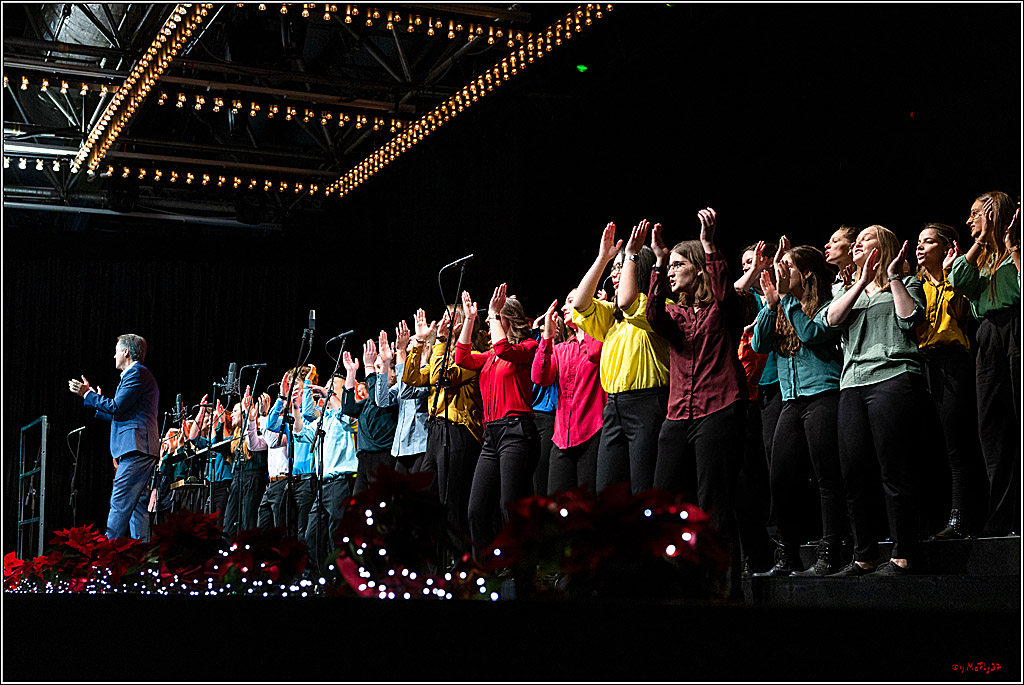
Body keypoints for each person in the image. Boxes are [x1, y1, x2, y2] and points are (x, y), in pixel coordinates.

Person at [645, 209, 748, 593]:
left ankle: (721, 587)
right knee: (663, 502)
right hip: (677, 414)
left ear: (698, 267)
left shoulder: (721, 308)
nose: (670, 271)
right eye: (668, 266)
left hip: (719, 408)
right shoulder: (672, 312)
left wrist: (708, 246)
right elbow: (653, 315)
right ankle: (668, 582)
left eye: (676, 264)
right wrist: (656, 261)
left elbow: (726, 299)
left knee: (714, 503)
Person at [824, 225, 927, 575]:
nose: (856, 245)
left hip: (893, 376)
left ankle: (904, 553)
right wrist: (861, 280)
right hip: (851, 383)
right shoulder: (846, 288)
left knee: (893, 469)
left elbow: (910, 318)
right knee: (853, 472)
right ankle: (864, 554)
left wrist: (892, 276)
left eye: (864, 239)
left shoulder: (906, 282)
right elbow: (832, 320)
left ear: (882, 246)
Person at [752, 246, 846, 576]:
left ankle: (829, 552)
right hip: (791, 401)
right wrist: (770, 306)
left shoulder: (827, 303)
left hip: (823, 396)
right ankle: (786, 555)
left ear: (805, 274)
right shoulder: (782, 306)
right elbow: (758, 345)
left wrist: (786, 302)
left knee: (827, 478)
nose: (780, 273)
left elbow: (811, 333)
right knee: (780, 478)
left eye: (787, 267)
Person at [571, 221, 670, 494]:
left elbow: (628, 301)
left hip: (648, 404)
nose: (616, 274)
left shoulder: (658, 309)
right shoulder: (611, 317)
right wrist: (603, 258)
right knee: (608, 493)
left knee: (643, 491)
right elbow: (580, 303)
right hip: (614, 407)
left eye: (623, 267)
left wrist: (632, 254)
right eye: (615, 270)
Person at [947, 191, 1021, 537]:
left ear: (996, 214)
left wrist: (1013, 245)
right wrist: (978, 242)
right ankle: (1004, 517)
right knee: (993, 427)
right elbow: (958, 279)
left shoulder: (1015, 253)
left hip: (1017, 327)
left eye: (976, 214)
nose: (969, 220)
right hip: (989, 336)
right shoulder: (984, 260)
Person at [456, 284, 540, 555]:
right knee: (476, 509)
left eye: (496, 317)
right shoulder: (491, 356)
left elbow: (504, 348)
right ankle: (485, 570)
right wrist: (469, 320)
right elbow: (462, 358)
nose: (491, 321)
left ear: (507, 320)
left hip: (517, 431)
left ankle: (520, 570)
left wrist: (492, 313)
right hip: (491, 436)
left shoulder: (528, 347)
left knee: (509, 505)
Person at [914, 223, 984, 539]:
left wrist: (948, 275)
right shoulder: (912, 285)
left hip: (952, 361)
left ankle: (960, 519)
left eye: (928, 241)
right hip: (920, 366)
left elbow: (961, 313)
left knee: (958, 444)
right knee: (927, 447)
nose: (920, 246)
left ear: (947, 248)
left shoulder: (956, 280)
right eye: (918, 241)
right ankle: (929, 519)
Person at [403, 305, 484, 561]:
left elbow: (441, 378)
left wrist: (438, 342)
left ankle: (460, 568)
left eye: (449, 320)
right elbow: (412, 378)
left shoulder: (473, 356)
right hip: (436, 433)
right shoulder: (440, 353)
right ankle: (434, 567)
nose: (442, 324)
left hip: (458, 433)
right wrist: (417, 342)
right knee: (425, 501)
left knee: (452, 505)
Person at [68, 333, 160, 541]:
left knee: (119, 503)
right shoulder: (135, 375)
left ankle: (107, 560)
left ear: (126, 352)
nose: (114, 355)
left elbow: (117, 407)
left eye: (117, 350)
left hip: (137, 449)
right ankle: (143, 560)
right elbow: (120, 411)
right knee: (137, 507)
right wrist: (95, 397)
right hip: (138, 449)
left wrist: (87, 395)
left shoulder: (136, 373)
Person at [531, 290, 606, 495]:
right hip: (562, 437)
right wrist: (546, 336)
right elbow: (539, 377)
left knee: (587, 506)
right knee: (556, 505)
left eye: (571, 301)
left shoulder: (599, 340)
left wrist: (593, 317)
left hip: (591, 433)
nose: (563, 308)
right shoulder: (562, 348)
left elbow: (596, 353)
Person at [301, 374, 359, 571]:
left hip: (340, 483)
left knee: (338, 535)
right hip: (322, 485)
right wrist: (295, 404)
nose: (328, 391)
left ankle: (343, 580)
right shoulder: (324, 419)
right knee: (312, 534)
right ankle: (321, 578)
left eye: (334, 388)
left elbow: (349, 420)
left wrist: (329, 397)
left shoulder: (346, 415)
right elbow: (303, 431)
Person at [341, 342, 400, 494]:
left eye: (379, 368)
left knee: (379, 508)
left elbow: (378, 399)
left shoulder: (394, 395)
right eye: (375, 368)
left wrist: (368, 367)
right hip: (364, 460)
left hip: (383, 457)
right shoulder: (367, 401)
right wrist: (351, 373)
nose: (375, 372)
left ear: (392, 372)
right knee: (359, 509)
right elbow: (348, 408)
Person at [375, 324, 430, 475]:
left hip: (422, 446)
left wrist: (400, 352)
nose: (407, 342)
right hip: (401, 448)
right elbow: (382, 401)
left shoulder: (429, 372)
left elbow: (407, 390)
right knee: (397, 498)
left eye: (413, 340)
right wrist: (385, 364)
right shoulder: (404, 377)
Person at [224, 389, 270, 536]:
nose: (231, 414)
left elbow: (253, 444)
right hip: (237, 479)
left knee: (248, 522)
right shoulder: (234, 437)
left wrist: (247, 412)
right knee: (230, 523)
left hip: (253, 478)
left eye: (235, 410)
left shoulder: (257, 430)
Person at [825, 225, 859, 294]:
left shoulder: (867, 281)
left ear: (852, 247)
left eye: (835, 241)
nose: (826, 246)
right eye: (829, 241)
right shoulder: (829, 287)